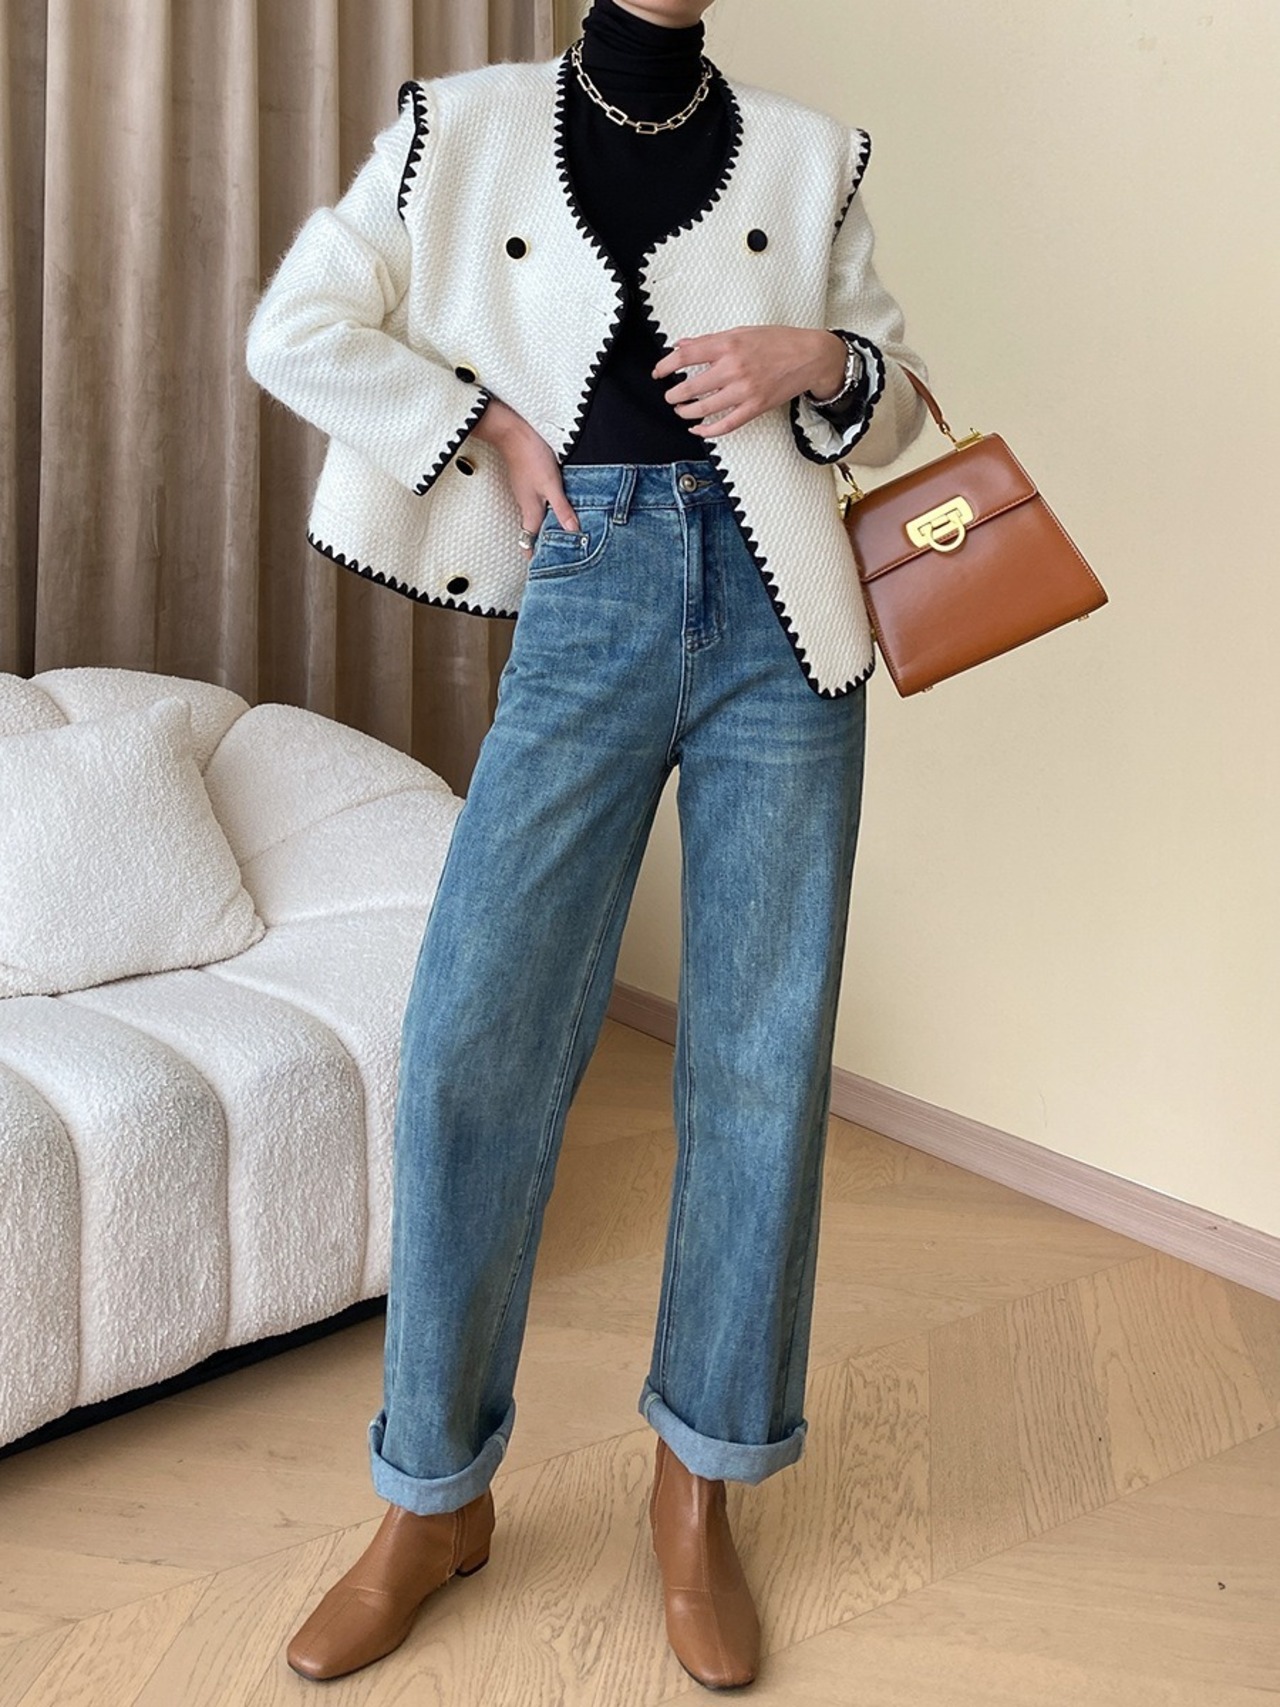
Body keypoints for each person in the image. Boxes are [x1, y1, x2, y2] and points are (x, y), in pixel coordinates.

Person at [245, 0, 928, 1688]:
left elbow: (899, 399)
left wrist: (816, 364)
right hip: (590, 584)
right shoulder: (463, 125)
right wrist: (483, 423)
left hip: (786, 618)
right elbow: (299, 325)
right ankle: (432, 1499)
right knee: (471, 1044)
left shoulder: (807, 154)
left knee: (761, 1064)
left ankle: (700, 1491)